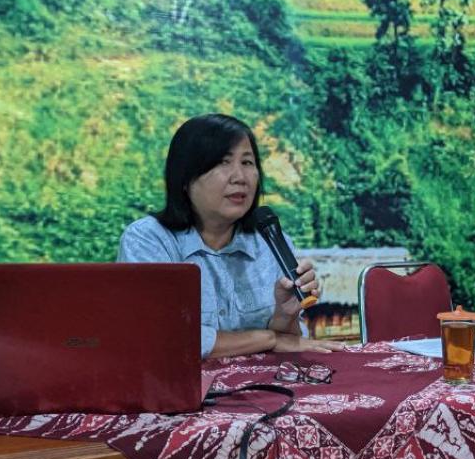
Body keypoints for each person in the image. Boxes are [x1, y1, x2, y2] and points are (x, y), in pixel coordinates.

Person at [118, 114, 345, 358]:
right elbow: (162, 339)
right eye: (223, 162)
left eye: (247, 162)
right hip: (178, 382)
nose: (240, 177)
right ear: (184, 178)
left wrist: (285, 315)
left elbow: (289, 345)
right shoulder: (148, 240)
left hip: (262, 382)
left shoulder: (271, 243)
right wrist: (269, 338)